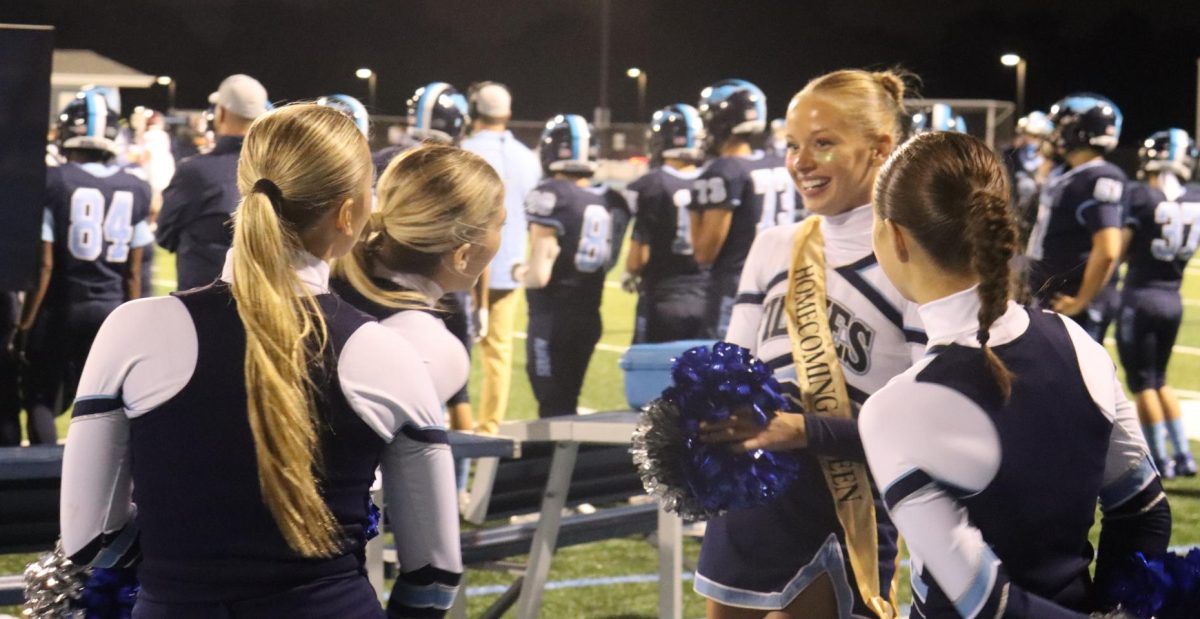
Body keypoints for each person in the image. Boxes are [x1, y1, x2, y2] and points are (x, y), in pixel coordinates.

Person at [60, 104, 462, 618]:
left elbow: (89, 536)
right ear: (348, 214)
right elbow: (435, 571)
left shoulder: (134, 329)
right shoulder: (386, 353)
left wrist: (188, 571)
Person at [861, 130, 1171, 618]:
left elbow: (987, 606)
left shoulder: (894, 409)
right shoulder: (1076, 341)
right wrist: (1118, 610)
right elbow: (1143, 513)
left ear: (894, 236)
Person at [697, 69, 924, 619]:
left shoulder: (915, 254)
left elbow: (924, 432)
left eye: (823, 144)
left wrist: (806, 431)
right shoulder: (774, 246)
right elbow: (730, 371)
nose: (801, 161)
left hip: (847, 508)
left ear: (880, 148)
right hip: (751, 505)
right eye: (793, 145)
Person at [331, 143, 504, 437]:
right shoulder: (434, 346)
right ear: (462, 255)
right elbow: (404, 475)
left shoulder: (329, 281)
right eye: (500, 225)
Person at [14, 90, 154, 445]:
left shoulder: (55, 180)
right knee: (106, 404)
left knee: (41, 397)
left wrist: (25, 323)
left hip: (61, 308)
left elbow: (45, 264)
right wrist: (132, 320)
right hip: (111, 309)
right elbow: (134, 273)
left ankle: (46, 479)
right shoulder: (135, 184)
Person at [517, 114, 630, 418]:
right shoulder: (613, 199)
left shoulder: (551, 194)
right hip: (589, 315)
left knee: (551, 408)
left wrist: (519, 272)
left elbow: (539, 276)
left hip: (552, 319)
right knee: (569, 403)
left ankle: (551, 467)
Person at [460, 82, 543, 434]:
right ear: (507, 113)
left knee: (453, 346)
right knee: (498, 355)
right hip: (508, 267)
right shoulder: (527, 157)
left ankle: (452, 425)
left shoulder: (462, 149)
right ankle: (489, 428)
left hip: (459, 267)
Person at [1118, 128, 1200, 479]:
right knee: (1161, 379)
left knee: (1142, 384)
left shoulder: (1141, 197)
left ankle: (1161, 460)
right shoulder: (1195, 198)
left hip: (1140, 296)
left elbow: (1119, 249)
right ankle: (1184, 456)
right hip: (1172, 297)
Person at [689, 79, 795, 338]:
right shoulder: (781, 164)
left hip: (739, 287)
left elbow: (704, 251)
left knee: (728, 371)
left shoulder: (723, 170)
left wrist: (694, 207)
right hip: (787, 282)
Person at [1025, 93, 1126, 342]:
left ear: (1078, 131)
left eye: (1060, 127)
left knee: (1072, 376)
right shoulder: (1071, 173)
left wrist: (1081, 301)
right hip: (1051, 289)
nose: (1054, 134)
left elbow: (1108, 248)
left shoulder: (1099, 177)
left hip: (1070, 296)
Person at [157, 74, 270, 291]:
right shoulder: (278, 169)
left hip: (202, 301)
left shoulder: (196, 170)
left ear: (222, 112)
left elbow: (165, 234)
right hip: (264, 302)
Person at [623, 103, 709, 343]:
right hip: (708, 296)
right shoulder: (714, 178)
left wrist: (631, 271)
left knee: (651, 376)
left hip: (663, 295)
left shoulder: (650, 185)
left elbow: (639, 255)